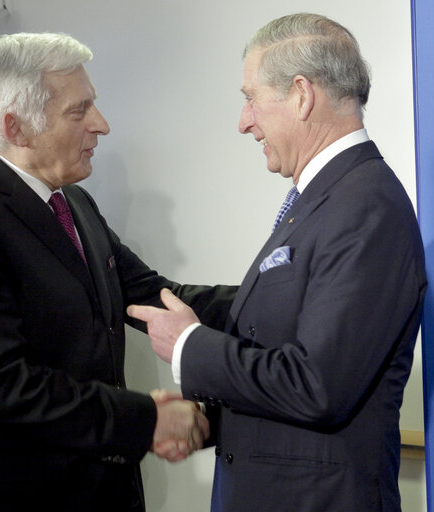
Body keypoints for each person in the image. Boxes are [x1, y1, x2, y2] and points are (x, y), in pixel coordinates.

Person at [0, 32, 236, 512]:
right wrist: (146, 419)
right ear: (16, 127)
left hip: (102, 490)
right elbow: (3, 385)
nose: (102, 125)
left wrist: (283, 294)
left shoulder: (74, 202)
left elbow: (155, 295)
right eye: (78, 111)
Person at [127, 13, 427, 512]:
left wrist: (189, 347)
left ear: (302, 95)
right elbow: (284, 346)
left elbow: (318, 386)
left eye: (250, 98)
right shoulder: (323, 200)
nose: (243, 121)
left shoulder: (365, 207)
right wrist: (208, 421)